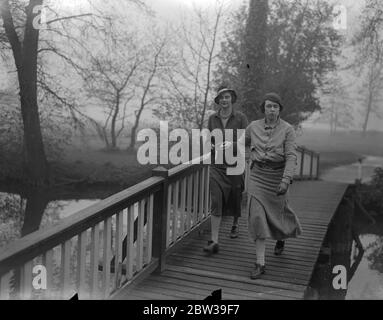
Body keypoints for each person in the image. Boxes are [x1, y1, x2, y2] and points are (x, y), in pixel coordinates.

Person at [244, 92, 302, 279]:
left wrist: (286, 180)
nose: (271, 109)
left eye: (275, 107)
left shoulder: (287, 130)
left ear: (279, 110)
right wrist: (247, 156)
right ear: (263, 108)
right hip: (257, 176)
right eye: (268, 106)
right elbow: (243, 143)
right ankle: (260, 263)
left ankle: (281, 238)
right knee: (257, 217)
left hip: (277, 176)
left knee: (279, 213)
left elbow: (292, 156)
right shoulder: (253, 127)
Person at [203, 86, 249, 253]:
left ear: (232, 99)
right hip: (217, 165)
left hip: (235, 164)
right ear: (218, 100)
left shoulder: (241, 118)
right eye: (221, 97)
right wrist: (212, 145)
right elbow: (208, 139)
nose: (224, 100)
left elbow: (247, 140)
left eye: (227, 97)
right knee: (216, 199)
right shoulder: (212, 118)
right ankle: (214, 240)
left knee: (236, 195)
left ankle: (235, 223)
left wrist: (232, 144)